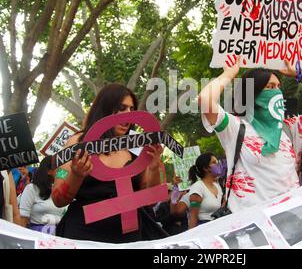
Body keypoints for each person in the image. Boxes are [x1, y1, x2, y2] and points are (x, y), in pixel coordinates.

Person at [198, 57, 302, 212]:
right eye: (270, 87)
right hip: (251, 223)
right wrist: (229, 74)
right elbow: (205, 100)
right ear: (253, 94)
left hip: (290, 218)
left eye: (278, 87)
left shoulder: (289, 129)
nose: (276, 92)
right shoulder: (235, 127)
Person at [51, 83, 168, 243]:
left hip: (129, 237)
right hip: (84, 235)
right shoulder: (77, 142)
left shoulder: (137, 146)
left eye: (131, 109)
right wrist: (76, 175)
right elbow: (58, 199)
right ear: (105, 109)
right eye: (121, 108)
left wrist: (154, 169)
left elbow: (152, 199)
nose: (128, 114)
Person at [19, 156, 67, 234]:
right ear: (49, 171)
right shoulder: (31, 189)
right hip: (37, 236)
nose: (64, 171)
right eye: (60, 168)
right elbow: (23, 218)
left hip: (60, 238)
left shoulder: (67, 192)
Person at [187, 153, 223, 228]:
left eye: (217, 162)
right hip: (204, 229)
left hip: (217, 226)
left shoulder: (217, 186)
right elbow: (193, 217)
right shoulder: (198, 187)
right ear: (206, 168)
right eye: (214, 162)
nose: (218, 164)